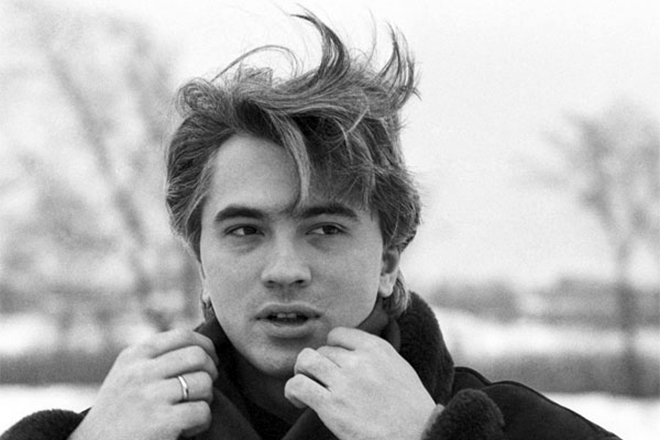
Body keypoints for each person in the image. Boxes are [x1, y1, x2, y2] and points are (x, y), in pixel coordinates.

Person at [1, 12, 621, 440]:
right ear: (201, 261)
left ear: (389, 259)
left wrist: (431, 437)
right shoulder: (124, 429)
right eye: (244, 231)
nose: (284, 270)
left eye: (324, 228)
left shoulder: (519, 427)